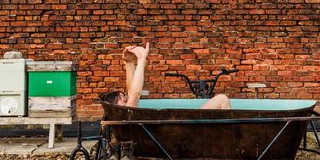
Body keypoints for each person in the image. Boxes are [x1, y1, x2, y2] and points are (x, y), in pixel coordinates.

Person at [99, 42, 231, 109]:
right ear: (117, 106)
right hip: (181, 132)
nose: (127, 99)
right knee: (222, 99)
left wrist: (128, 63)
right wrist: (141, 59)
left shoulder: (123, 114)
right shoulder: (126, 114)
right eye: (124, 100)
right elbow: (135, 93)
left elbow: (131, 91)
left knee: (221, 99)